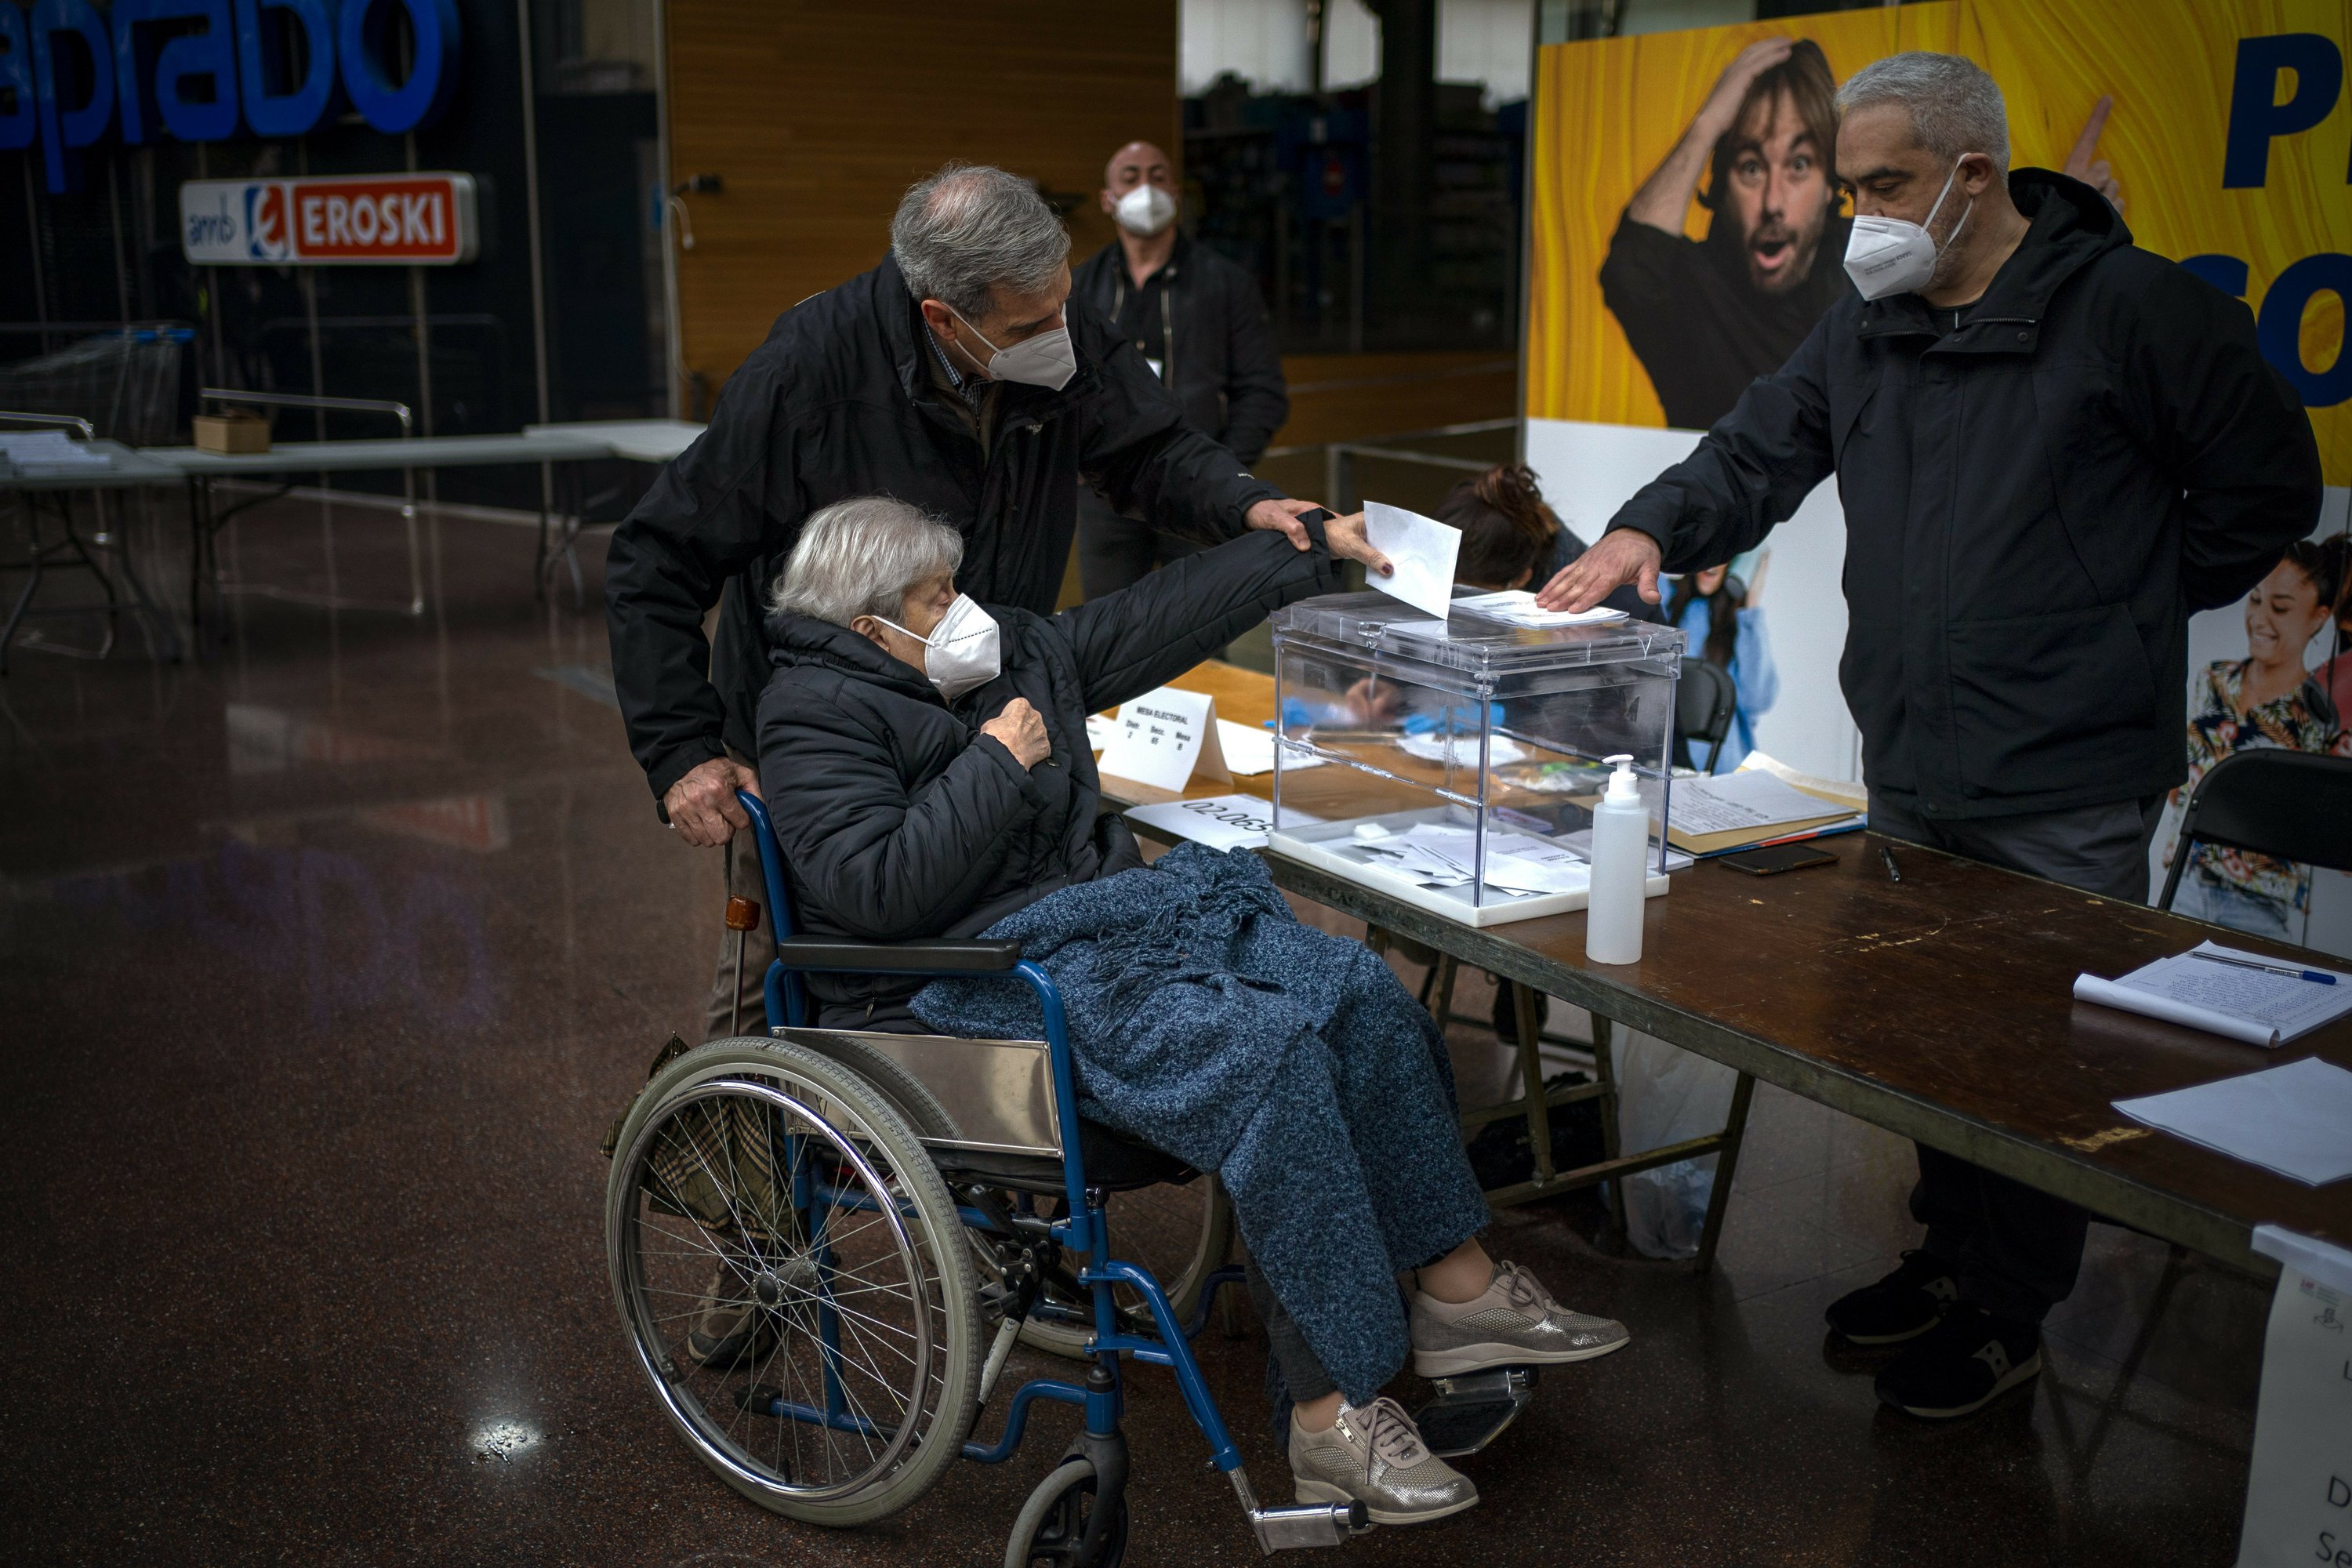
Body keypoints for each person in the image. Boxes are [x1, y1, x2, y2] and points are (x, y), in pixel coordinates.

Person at [1540, 53, 2322, 1421]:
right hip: (1912, 757)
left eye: (1884, 186)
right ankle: (1946, 1262)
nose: (1860, 218)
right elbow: (1758, 447)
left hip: (2066, 777)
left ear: (1974, 178)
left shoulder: (2133, 311)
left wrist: (2121, 598)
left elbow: (2266, 487)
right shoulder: (1870, 323)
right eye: (1850, 189)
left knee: (2030, 1057)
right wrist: (1649, 526)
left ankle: (2010, 1312)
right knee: (1933, 1046)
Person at [737, 495, 1628, 1524]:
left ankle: (1458, 1291)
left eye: (955, 584)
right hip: (969, 979)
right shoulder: (810, 711)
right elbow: (876, 889)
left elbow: (1158, 612)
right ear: (867, 627)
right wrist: (994, 763)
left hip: (1114, 929)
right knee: (1268, 1059)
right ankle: (1330, 1415)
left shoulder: (1012, 652)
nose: (964, 609)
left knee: (1357, 993)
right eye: (937, 598)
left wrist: (1307, 550)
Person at [602, 162, 1388, 1046]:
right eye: (1032, 323)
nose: (1064, 332)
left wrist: (1248, 504)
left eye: (1062, 305)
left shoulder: (1050, 323)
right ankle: (743, 1144)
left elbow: (1151, 448)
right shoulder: (808, 373)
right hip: (827, 723)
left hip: (989, 686)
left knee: (997, 918)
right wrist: (681, 751)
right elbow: (656, 555)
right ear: (942, 314)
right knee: (789, 972)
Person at [1073, 140, 1290, 598]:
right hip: (1104, 496)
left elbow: (1263, 390)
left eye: (1157, 176)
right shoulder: (1080, 287)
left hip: (1200, 493)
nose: (1146, 188)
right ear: (1107, 199)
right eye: (1130, 178)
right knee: (1107, 636)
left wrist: (1225, 471)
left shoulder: (1225, 283)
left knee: (1203, 635)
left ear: (1175, 190)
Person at [1600, 38, 1850, 431]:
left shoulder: (1867, 270)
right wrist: (1708, 124)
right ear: (1723, 185)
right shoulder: (1694, 289)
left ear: (1828, 183)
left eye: (1799, 164)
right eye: (1752, 168)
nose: (1773, 203)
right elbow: (1630, 271)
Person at [2167, 539, 2351, 938]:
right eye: (2255, 600)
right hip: (2183, 881)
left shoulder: (2321, 710)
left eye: (2281, 607)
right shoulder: (2213, 678)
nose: (2261, 618)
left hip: (2259, 907)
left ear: (2319, 617)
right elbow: (2179, 780)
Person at [1664, 561, 1778, 772]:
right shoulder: (1666, 603)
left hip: (1722, 767)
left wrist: (1751, 607)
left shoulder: (1740, 623)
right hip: (1666, 763)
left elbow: (1758, 700)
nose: (1714, 562)